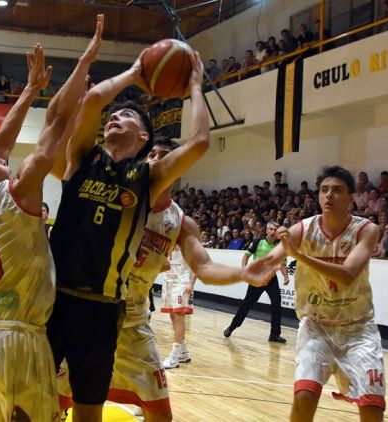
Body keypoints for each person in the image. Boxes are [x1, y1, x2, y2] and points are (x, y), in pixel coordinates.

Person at [0, 19, 100, 421]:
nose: (2, 157)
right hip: (22, 343)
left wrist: (29, 90)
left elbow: (0, 144)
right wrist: (84, 63)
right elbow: (57, 123)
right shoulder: (16, 195)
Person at [47, 38, 211, 419]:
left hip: (104, 311)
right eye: (113, 115)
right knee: (36, 406)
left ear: (143, 138)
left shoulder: (147, 178)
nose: (115, 117)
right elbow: (92, 101)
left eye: (127, 116)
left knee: (88, 412)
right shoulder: (81, 158)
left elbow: (200, 142)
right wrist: (135, 73)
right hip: (55, 302)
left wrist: (195, 87)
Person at [56, 138, 274, 420]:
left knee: (161, 415)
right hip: (91, 316)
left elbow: (204, 267)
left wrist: (243, 273)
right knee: (55, 404)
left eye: (165, 155)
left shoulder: (181, 222)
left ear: (177, 167)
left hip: (134, 325)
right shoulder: (113, 195)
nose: (156, 159)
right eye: (151, 154)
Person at [259, 165, 385, 421]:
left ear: (351, 197)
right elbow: (271, 260)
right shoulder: (302, 228)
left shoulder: (367, 230)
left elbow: (348, 274)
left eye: (337, 190)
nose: (329, 195)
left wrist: (299, 255)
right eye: (324, 190)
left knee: (372, 407)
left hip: (358, 328)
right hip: (317, 327)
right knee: (304, 397)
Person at [224, 221, 289, 342]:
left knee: (276, 304)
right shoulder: (258, 241)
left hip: (271, 279)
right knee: (246, 304)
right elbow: (246, 256)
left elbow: (283, 264)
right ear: (267, 230)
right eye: (271, 229)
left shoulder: (281, 246)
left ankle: (274, 335)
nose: (273, 232)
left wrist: (286, 277)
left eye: (275, 230)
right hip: (257, 278)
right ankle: (232, 327)